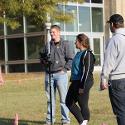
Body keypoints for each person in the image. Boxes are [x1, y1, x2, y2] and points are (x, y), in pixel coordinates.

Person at [40, 25, 74, 125]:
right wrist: (44, 61)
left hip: (61, 74)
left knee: (63, 99)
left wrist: (65, 69)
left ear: (59, 32)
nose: (51, 34)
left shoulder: (65, 44)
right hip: (49, 75)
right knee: (50, 100)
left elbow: (71, 59)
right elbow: (42, 59)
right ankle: (50, 120)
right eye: (51, 32)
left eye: (53, 32)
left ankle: (65, 120)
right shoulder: (48, 45)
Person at [100, 14, 125, 125]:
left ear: (112, 24)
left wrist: (103, 79)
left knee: (120, 111)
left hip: (117, 80)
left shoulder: (114, 40)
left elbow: (108, 63)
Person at [66, 33, 95, 125]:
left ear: (81, 42)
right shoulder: (78, 53)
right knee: (68, 102)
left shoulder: (88, 54)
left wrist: (82, 86)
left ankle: (83, 122)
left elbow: (87, 72)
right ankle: (82, 122)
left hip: (83, 82)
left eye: (76, 41)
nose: (75, 43)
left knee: (83, 104)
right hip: (75, 82)